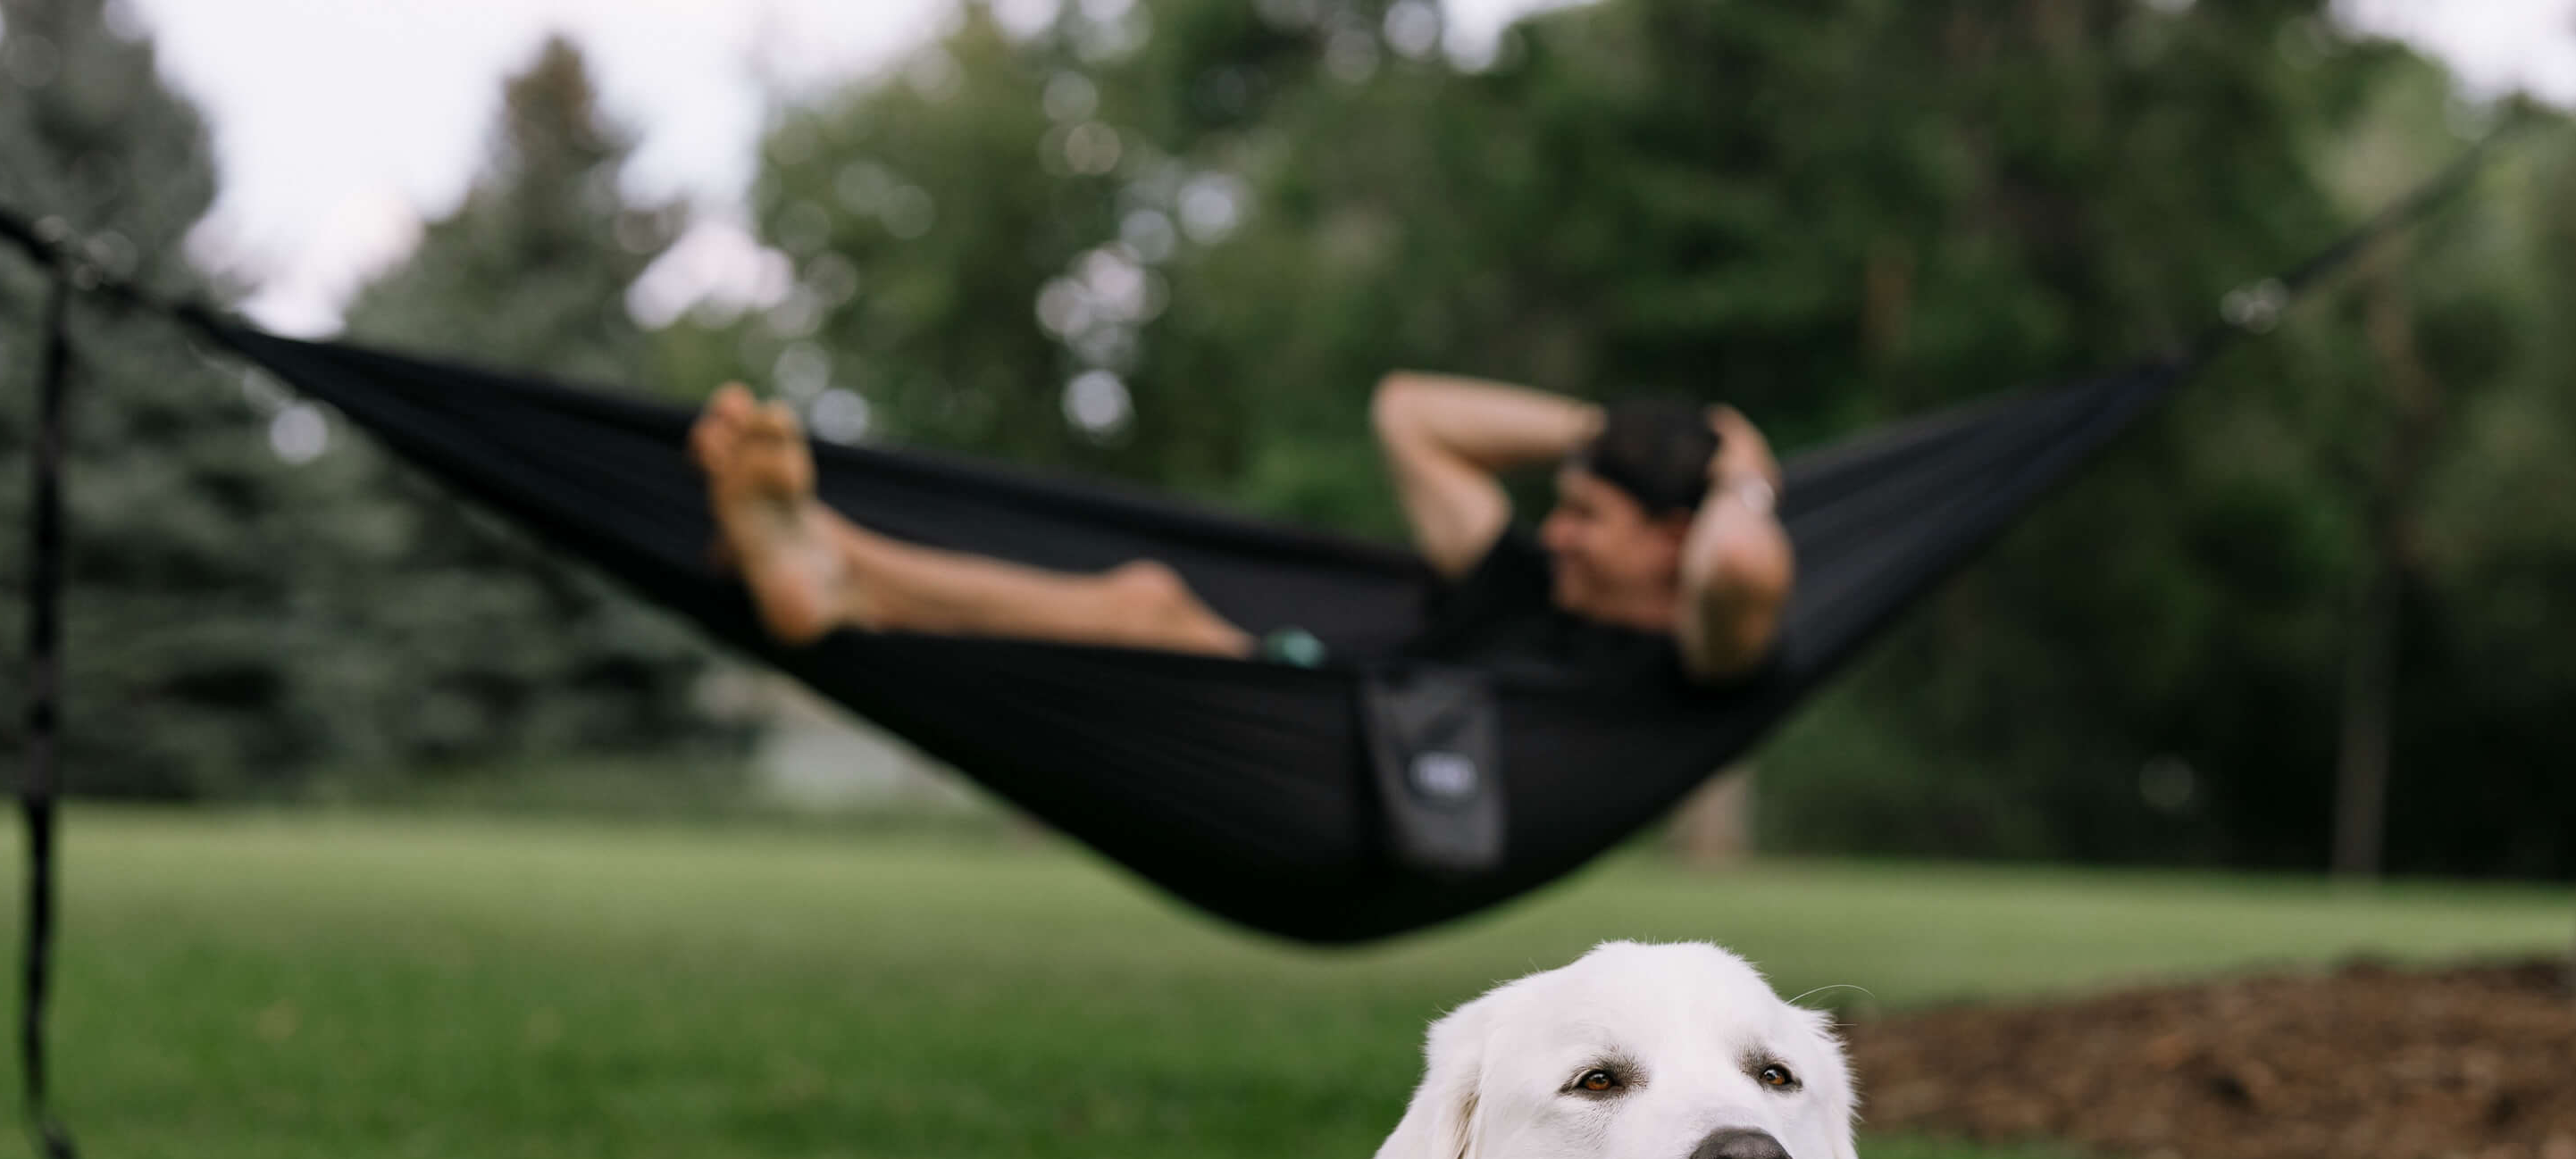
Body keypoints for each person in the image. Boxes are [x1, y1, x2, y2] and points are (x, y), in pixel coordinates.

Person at [687, 371, 1794, 686]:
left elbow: (1740, 561)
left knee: (1144, 603)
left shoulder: (1690, 644)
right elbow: (1407, 407)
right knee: (1143, 598)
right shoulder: (1519, 578)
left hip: (1362, 772)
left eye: (1588, 515)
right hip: (1315, 713)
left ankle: (833, 563)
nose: (1556, 532)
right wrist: (1605, 435)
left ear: (1668, 539)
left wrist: (1739, 471)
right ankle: (829, 561)